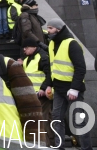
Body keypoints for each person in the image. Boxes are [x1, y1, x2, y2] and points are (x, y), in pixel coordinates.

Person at [45, 18, 93, 150]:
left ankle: (86, 148)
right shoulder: (52, 44)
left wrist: (75, 88)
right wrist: (48, 85)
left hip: (72, 89)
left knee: (79, 120)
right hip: (59, 89)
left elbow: (80, 68)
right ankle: (59, 147)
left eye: (50, 28)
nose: (47, 31)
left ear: (58, 30)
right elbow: (52, 68)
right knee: (56, 119)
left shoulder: (72, 44)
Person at [21, 38, 56, 147]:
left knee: (42, 120)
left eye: (26, 47)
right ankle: (49, 144)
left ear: (34, 47)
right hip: (33, 95)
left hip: (42, 95)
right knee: (45, 120)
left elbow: (50, 74)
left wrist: (43, 88)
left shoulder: (43, 57)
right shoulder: (28, 58)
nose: (24, 50)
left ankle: (46, 145)